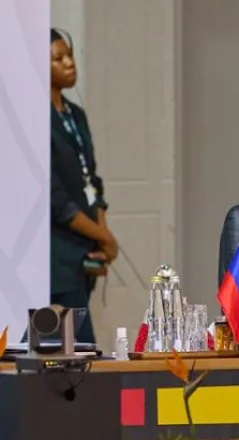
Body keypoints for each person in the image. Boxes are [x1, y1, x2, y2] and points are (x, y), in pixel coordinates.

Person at [50, 28, 118, 343]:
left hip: (83, 253)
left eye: (70, 55)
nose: (69, 63)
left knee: (79, 348)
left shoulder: (75, 115)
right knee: (78, 349)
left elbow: (92, 180)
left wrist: (101, 238)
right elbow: (56, 201)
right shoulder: (34, 119)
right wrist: (105, 237)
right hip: (57, 257)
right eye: (58, 58)